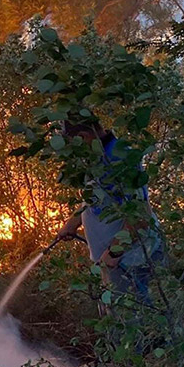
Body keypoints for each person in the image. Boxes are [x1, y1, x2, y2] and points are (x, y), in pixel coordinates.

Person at [56, 123, 165, 308]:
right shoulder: (97, 157)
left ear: (82, 137)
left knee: (134, 321)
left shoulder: (119, 158)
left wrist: (113, 253)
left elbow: (140, 215)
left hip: (133, 259)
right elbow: (92, 198)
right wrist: (72, 223)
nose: (73, 154)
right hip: (114, 260)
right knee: (115, 317)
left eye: (72, 146)